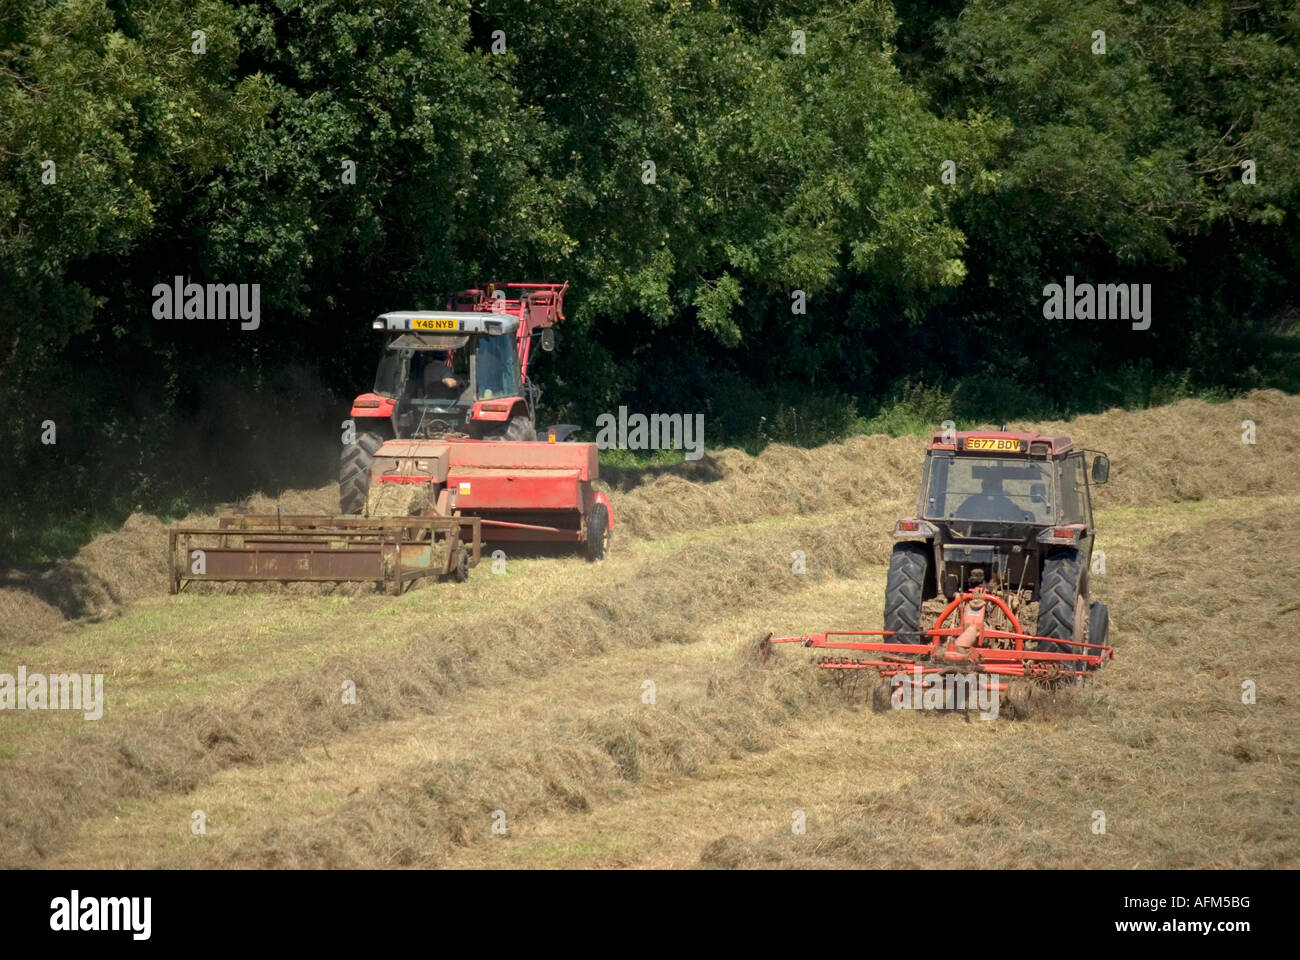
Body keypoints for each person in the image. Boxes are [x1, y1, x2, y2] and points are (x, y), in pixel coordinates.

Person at [957, 475, 1025, 521]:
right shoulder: (970, 503)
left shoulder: (970, 502)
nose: (991, 490)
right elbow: (958, 521)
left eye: (993, 485)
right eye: (990, 485)